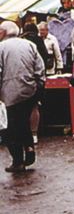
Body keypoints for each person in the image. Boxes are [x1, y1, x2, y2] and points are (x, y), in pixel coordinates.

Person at [0, 21, 45, 172]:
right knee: (24, 122)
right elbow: (39, 67)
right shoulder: (29, 45)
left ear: (3, 32)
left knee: (10, 128)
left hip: (10, 93)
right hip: (30, 90)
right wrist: (39, 85)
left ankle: (17, 160)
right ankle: (29, 148)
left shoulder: (2, 47)